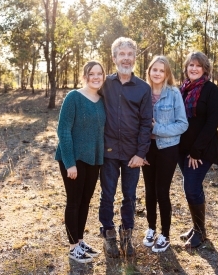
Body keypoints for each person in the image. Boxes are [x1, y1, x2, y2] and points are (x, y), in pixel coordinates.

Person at [98, 37, 153, 258]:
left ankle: (127, 235)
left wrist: (141, 153)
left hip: (132, 154)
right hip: (108, 151)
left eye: (130, 54)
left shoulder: (143, 88)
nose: (126, 58)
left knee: (129, 196)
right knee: (107, 195)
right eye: (122, 54)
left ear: (134, 58)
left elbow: (145, 122)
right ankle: (109, 234)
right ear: (114, 58)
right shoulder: (105, 84)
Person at [55, 61, 106, 263]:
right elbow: (63, 130)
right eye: (91, 74)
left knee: (85, 201)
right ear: (85, 76)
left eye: (99, 74)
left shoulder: (102, 100)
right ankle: (73, 246)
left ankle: (80, 240)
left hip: (94, 159)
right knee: (74, 202)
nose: (95, 77)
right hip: (73, 158)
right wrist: (69, 163)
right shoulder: (73, 97)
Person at [141, 56, 188, 253]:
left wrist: (157, 128)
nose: (157, 73)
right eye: (154, 69)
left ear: (167, 73)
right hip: (147, 148)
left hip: (167, 148)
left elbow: (182, 124)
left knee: (162, 191)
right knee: (149, 191)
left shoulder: (174, 93)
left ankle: (165, 235)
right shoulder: (142, 92)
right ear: (149, 71)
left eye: (161, 70)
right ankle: (151, 228)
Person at [177, 52, 218, 249]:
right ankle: (197, 227)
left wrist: (196, 151)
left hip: (201, 151)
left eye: (198, 65)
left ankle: (200, 232)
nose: (194, 69)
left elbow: (212, 124)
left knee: (191, 187)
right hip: (181, 149)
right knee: (191, 187)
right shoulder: (183, 90)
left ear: (205, 69)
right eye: (190, 65)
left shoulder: (212, 91)